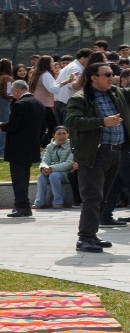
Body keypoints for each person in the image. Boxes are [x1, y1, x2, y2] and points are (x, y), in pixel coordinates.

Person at [64, 62, 129, 253]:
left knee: (103, 197)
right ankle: (84, 238)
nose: (112, 77)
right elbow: (72, 121)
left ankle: (92, 234)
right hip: (94, 154)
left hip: (116, 152)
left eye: (112, 74)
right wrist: (102, 122)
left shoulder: (116, 93)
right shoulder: (80, 98)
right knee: (92, 197)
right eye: (107, 74)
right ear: (94, 77)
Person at [0, 80, 47, 218]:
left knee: (18, 179)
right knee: (24, 177)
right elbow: (44, 126)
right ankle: (22, 205)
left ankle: (22, 206)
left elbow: (14, 125)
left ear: (15, 90)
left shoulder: (19, 105)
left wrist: (2, 126)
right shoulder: (38, 103)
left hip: (18, 147)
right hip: (32, 146)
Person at [36, 127, 75, 209]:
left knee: (54, 176)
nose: (62, 136)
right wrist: (44, 168)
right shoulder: (50, 146)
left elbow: (69, 164)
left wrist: (51, 168)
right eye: (59, 134)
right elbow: (45, 160)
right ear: (54, 135)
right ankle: (39, 202)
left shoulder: (72, 146)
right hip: (51, 171)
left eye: (64, 133)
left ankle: (58, 202)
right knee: (41, 177)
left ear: (68, 135)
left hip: (66, 173)